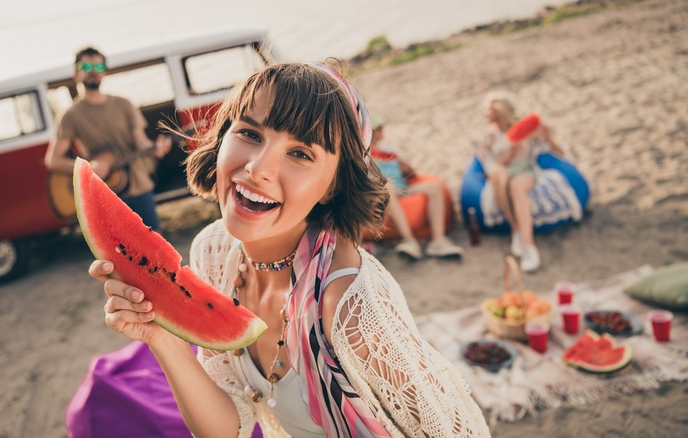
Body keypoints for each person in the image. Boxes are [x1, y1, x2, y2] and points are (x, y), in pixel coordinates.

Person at [88, 63, 490, 437]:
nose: (258, 168)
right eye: (249, 133)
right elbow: (230, 426)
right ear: (223, 136)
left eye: (300, 154)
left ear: (333, 184)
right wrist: (164, 339)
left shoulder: (350, 305)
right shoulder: (214, 253)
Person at [44, 46, 171, 231]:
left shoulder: (124, 104)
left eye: (98, 67)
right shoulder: (70, 115)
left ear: (104, 71)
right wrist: (88, 168)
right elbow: (53, 160)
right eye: (86, 67)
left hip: (140, 187)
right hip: (107, 193)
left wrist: (157, 148)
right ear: (76, 73)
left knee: (155, 244)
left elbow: (142, 143)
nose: (93, 72)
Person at [475, 92, 565, 272]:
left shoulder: (524, 129)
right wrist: (509, 155)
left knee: (516, 186)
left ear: (500, 111)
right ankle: (515, 228)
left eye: (489, 110)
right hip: (501, 172)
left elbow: (559, 153)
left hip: (524, 169)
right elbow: (489, 165)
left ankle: (528, 247)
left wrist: (548, 138)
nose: (485, 113)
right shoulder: (487, 137)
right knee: (497, 174)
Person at [369, 115, 464, 260]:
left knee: (434, 187)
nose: (381, 133)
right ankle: (409, 240)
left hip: (404, 190)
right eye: (377, 130)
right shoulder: (363, 155)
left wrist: (405, 166)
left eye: (381, 129)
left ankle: (438, 241)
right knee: (387, 186)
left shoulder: (389, 152)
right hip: (383, 195)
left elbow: (411, 173)